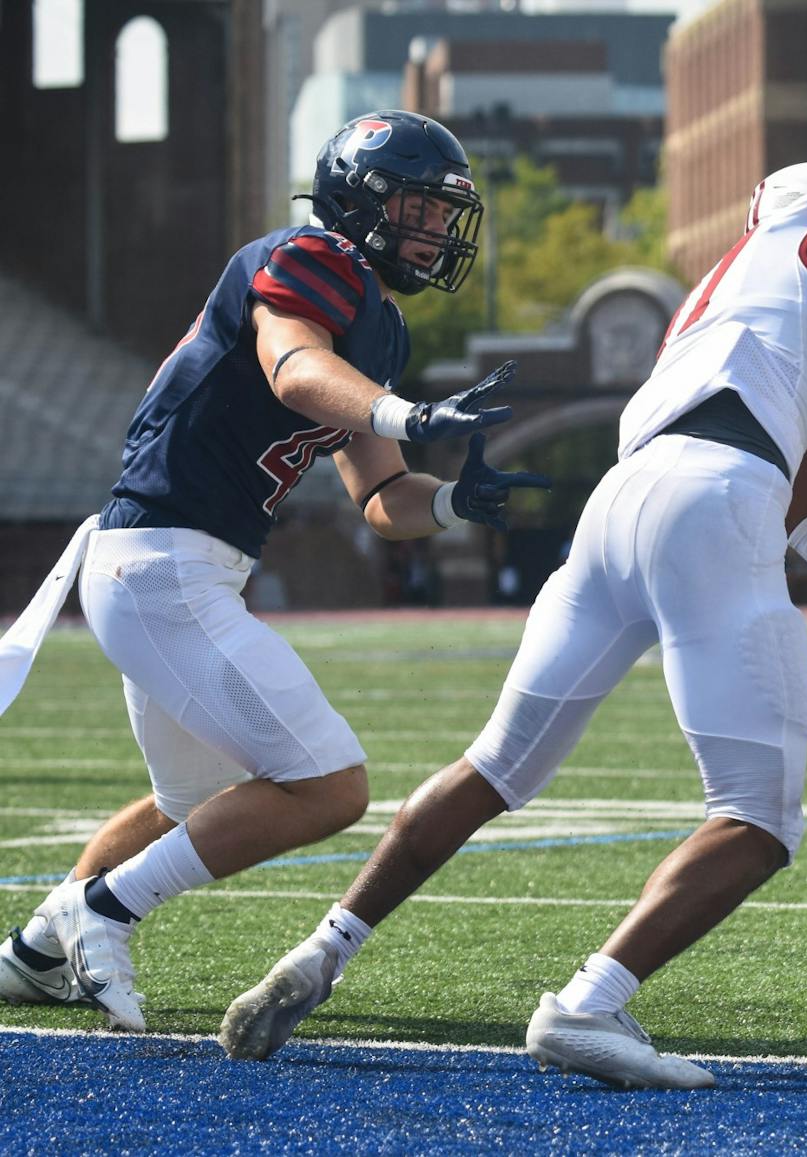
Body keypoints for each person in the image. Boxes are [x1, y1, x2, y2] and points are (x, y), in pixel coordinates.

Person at [215, 161, 807, 1086]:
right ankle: (589, 1003)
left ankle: (320, 952)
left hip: (623, 500)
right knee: (758, 817)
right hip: (718, 496)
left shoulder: (739, 304)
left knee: (492, 766)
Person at [0, 111, 548, 1030]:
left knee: (193, 805)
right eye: (417, 207)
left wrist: (451, 501)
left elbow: (379, 496)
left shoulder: (379, 325)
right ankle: (103, 909)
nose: (433, 232)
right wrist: (409, 416)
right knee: (331, 784)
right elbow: (294, 368)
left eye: (440, 214)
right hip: (160, 561)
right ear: (359, 199)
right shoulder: (309, 256)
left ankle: (34, 954)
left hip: (176, 570)